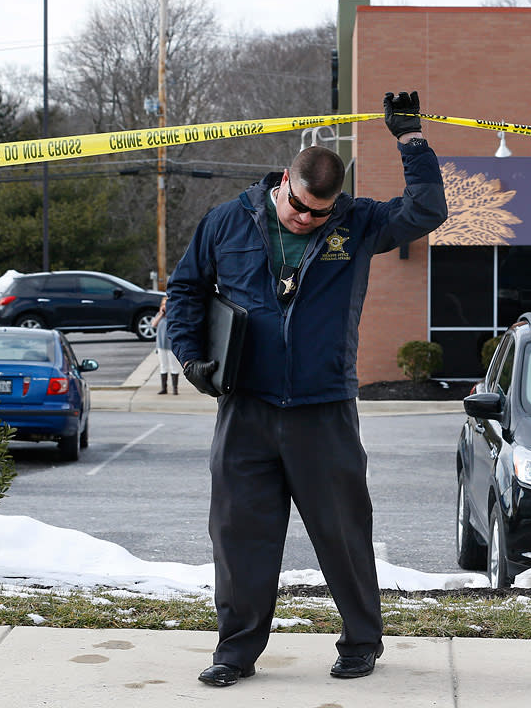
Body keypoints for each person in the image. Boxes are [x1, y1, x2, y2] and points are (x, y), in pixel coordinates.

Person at [166, 91, 446, 688]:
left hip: (324, 410)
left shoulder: (360, 222)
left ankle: (361, 643)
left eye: (320, 213)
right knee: (240, 533)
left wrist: (412, 143)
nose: (306, 219)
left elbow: (426, 211)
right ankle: (236, 651)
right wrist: (191, 356)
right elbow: (186, 289)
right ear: (285, 182)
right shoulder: (227, 220)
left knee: (343, 532)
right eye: (299, 208)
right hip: (246, 406)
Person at [150, 296, 180, 395]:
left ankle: (175, 388)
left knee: (173, 366)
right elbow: (153, 324)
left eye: (166, 305)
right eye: (163, 305)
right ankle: (164, 388)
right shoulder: (159, 316)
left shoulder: (173, 316)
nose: (164, 307)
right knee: (163, 365)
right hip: (161, 345)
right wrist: (161, 314)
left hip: (171, 346)